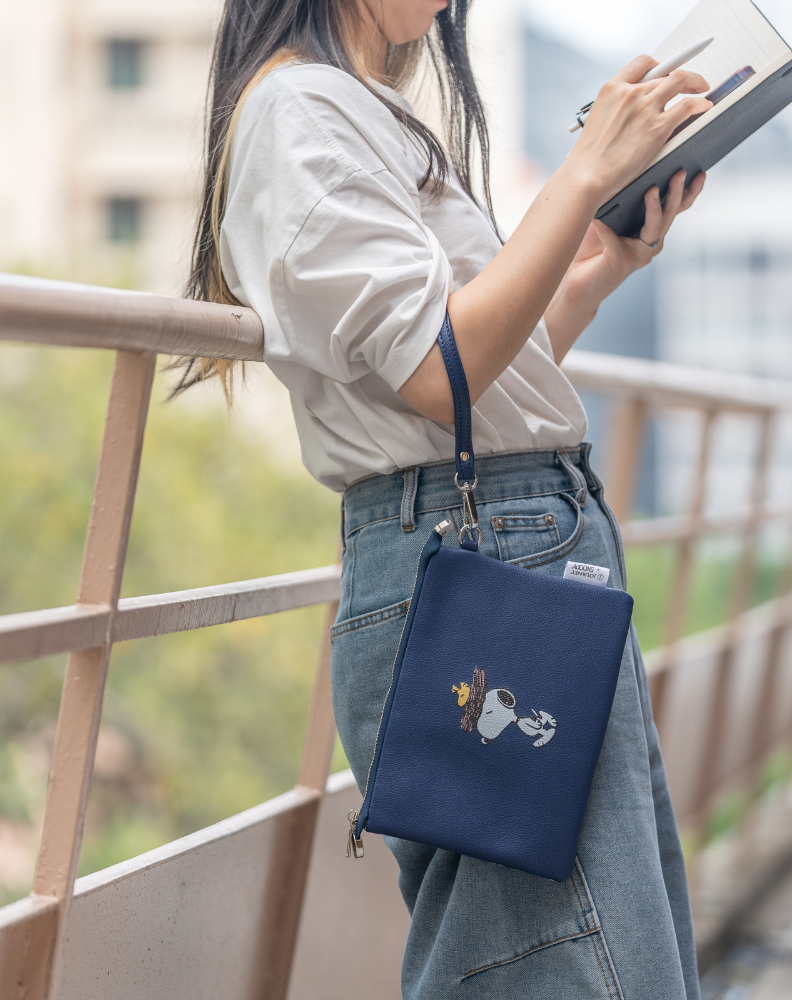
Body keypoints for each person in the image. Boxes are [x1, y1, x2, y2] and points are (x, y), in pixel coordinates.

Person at [177, 0, 709, 994]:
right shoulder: (299, 111)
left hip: (507, 545)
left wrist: (598, 264)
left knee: (585, 946)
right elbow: (435, 369)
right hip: (476, 551)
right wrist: (584, 168)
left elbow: (482, 373)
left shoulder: (352, 106)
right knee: (565, 957)